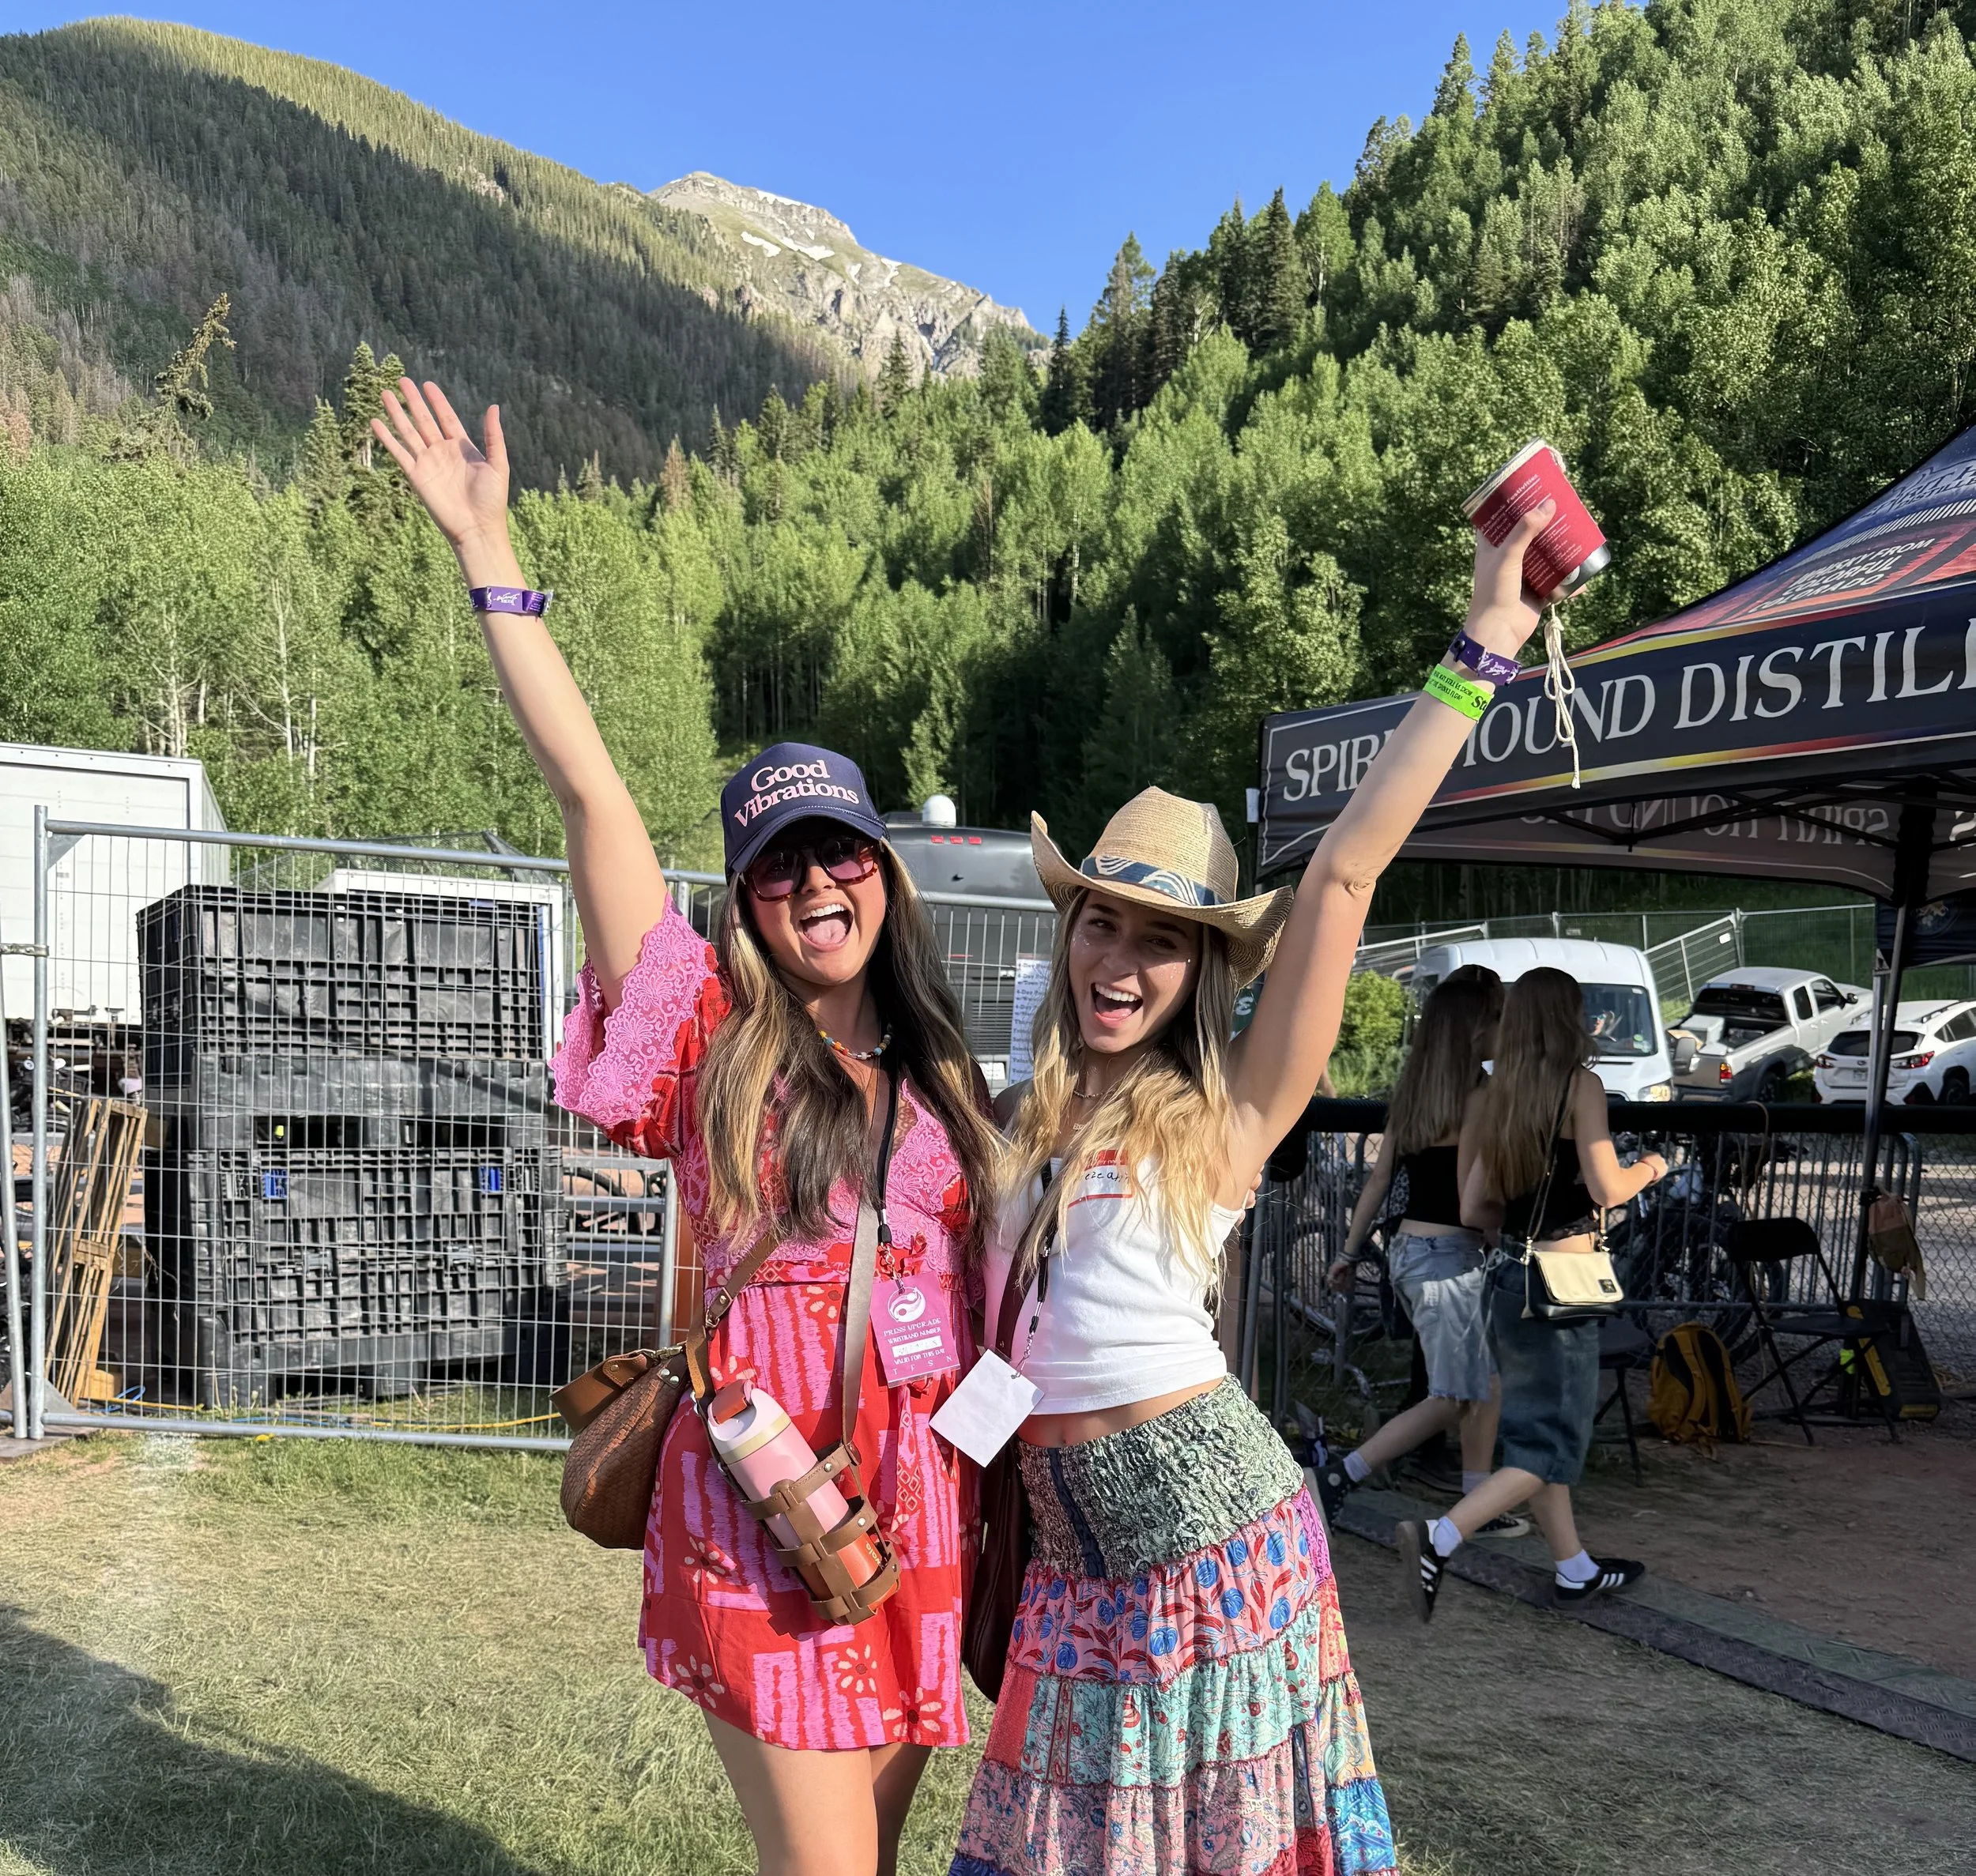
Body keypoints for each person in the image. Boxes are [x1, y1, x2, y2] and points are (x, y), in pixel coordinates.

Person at [373, 380, 1002, 1876]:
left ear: (887, 873)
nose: (816, 884)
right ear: (744, 902)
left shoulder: (951, 1088)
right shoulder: (711, 1051)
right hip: (760, 1506)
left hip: (913, 1526)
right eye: (779, 867)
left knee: (870, 1858)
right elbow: (593, 797)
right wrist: (490, 554)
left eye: (841, 849)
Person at [948, 499, 1559, 1876]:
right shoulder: (1011, 1114)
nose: (1122, 956)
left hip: (1212, 1548)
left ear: (1203, 968)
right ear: (1070, 925)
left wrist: (1485, 641)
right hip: (1070, 1563)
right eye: (1102, 917)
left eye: (1163, 939)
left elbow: (1342, 875)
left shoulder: (1225, 1110)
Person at [1395, 967, 1669, 1622]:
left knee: (1535, 1433)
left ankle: (1574, 1569)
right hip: (1562, 1282)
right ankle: (1444, 1536)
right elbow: (1606, 1187)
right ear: (1570, 1017)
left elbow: (1475, 1204)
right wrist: (1654, 1167)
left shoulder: (1501, 1091)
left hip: (1506, 1276)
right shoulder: (1581, 1085)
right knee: (1552, 1443)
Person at [1317, 967, 1525, 1534]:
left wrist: (1350, 1250)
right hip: (1449, 1257)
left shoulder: (1412, 1094)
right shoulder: (1479, 1098)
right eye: (1501, 1016)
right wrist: (1501, 1226)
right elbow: (1470, 1200)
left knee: (1482, 1386)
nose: (1507, 1028)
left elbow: (1379, 1181)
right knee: (1459, 1394)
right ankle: (1343, 1472)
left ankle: (1475, 1503)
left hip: (1410, 1250)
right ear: (1478, 1026)